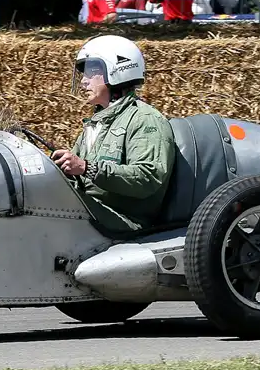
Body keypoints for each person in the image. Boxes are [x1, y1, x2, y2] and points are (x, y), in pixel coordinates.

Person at [51, 35, 176, 233]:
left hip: (124, 220)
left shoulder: (144, 118)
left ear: (117, 72)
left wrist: (86, 168)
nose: (84, 82)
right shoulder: (97, 121)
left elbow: (148, 178)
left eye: (92, 72)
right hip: (95, 211)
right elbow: (76, 175)